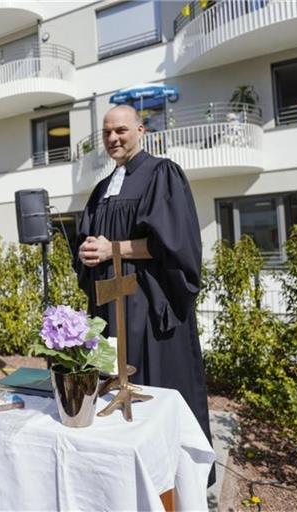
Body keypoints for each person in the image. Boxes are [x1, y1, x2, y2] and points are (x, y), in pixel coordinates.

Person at [74, 104, 215, 486]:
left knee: (152, 392)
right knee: (112, 395)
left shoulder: (161, 174)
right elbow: (90, 239)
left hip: (148, 308)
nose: (113, 139)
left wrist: (113, 249)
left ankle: (167, 483)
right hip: (110, 306)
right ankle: (122, 485)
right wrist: (87, 252)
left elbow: (174, 244)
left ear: (140, 130)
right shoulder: (103, 188)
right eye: (106, 133)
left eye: (121, 130)